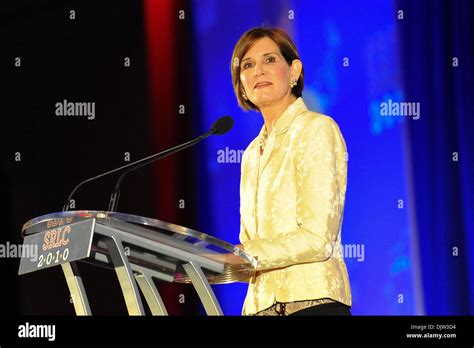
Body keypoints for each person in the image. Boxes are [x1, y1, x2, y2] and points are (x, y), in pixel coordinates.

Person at [229, 27, 352, 316]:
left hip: (313, 304)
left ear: (294, 70)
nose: (258, 70)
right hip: (259, 308)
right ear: (241, 83)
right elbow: (250, 246)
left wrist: (244, 256)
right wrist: (206, 263)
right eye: (247, 65)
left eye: (269, 60)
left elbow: (318, 239)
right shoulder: (249, 155)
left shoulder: (316, 129)